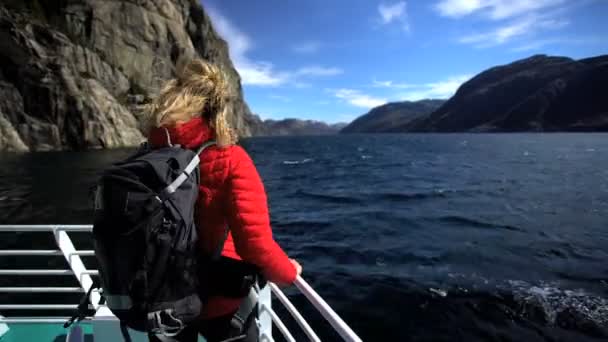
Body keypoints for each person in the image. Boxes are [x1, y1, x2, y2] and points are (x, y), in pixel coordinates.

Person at [144, 58, 303, 342]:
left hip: (159, 296)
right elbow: (255, 245)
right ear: (218, 110)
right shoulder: (230, 160)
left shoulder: (147, 156)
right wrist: (289, 273)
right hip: (215, 300)